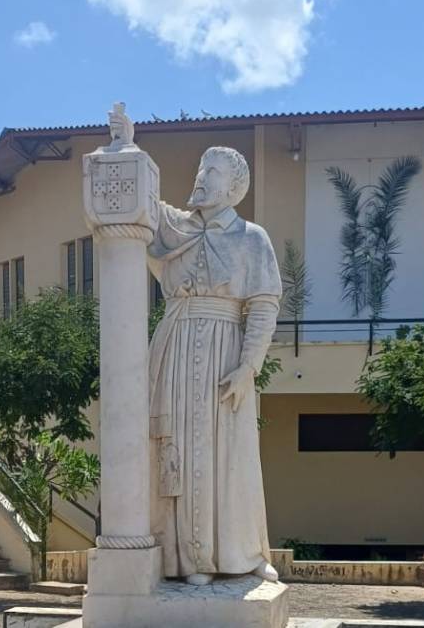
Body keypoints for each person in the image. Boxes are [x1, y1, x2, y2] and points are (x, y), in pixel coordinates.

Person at [147, 146, 281, 586]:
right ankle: (190, 560)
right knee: (179, 451)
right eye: (202, 168)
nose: (201, 177)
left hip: (227, 352)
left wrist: (248, 367)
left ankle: (243, 554)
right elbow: (138, 205)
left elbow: (262, 305)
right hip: (175, 347)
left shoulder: (251, 238)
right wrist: (123, 145)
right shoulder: (174, 229)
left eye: (213, 171)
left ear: (234, 186)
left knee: (233, 454)